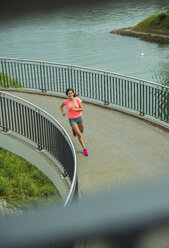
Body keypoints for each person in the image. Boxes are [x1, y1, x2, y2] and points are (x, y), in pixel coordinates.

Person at [60, 88, 88, 156]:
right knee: (79, 135)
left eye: (71, 93)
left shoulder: (77, 99)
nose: (70, 94)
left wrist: (75, 109)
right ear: (67, 95)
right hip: (72, 119)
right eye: (69, 93)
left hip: (79, 118)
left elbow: (82, 108)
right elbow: (61, 106)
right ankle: (84, 149)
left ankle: (74, 130)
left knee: (81, 131)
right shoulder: (66, 101)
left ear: (73, 93)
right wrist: (63, 112)